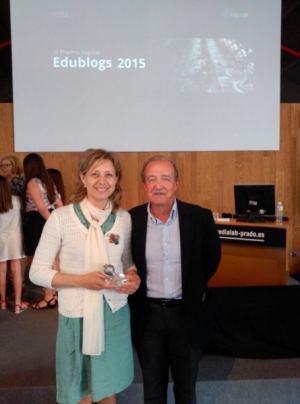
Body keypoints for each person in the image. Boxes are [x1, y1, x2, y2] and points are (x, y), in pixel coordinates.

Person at [29, 148, 141, 404]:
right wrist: (82, 281)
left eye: (109, 175)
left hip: (114, 314)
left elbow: (127, 261)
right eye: (95, 174)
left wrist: (134, 277)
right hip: (77, 315)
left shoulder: (122, 219)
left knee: (107, 387)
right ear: (82, 177)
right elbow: (37, 271)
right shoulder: (61, 218)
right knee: (80, 391)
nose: (102, 181)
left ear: (116, 179)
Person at [128, 155, 221, 404]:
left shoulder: (199, 218)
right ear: (144, 185)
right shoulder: (131, 220)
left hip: (187, 314)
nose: (159, 185)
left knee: (186, 389)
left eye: (165, 179)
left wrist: (192, 289)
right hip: (148, 316)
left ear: (176, 183)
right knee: (152, 390)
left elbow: (211, 259)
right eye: (152, 179)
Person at [23, 153, 63, 309]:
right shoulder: (48, 182)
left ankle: (48, 297)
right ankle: (56, 292)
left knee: (45, 260)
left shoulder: (32, 183)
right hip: (51, 217)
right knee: (54, 259)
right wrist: (59, 221)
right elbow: (59, 204)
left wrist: (51, 223)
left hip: (40, 221)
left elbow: (40, 207)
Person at [0, 175, 28, 313]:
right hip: (15, 238)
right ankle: (17, 304)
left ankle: (3, 301)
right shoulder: (17, 200)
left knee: (1, 271)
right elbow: (23, 217)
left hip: (0, 238)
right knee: (16, 270)